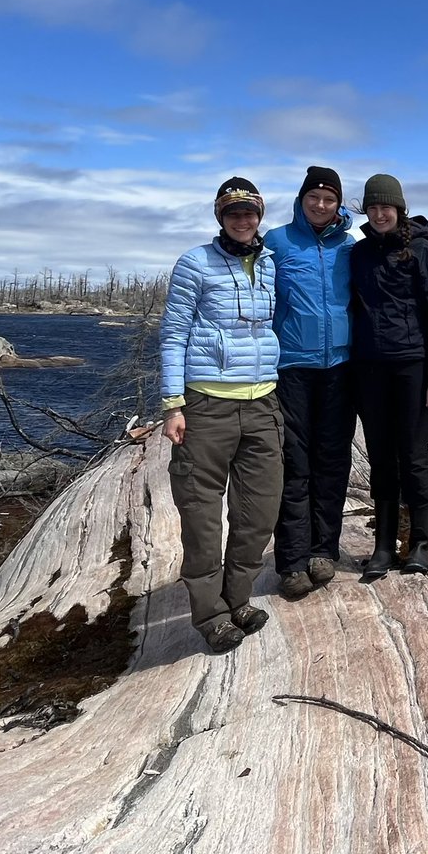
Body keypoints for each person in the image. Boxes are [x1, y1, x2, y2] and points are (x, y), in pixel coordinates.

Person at [159, 177, 283, 653]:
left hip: (263, 402)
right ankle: (209, 612)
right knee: (202, 515)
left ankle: (238, 598)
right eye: (233, 212)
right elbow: (173, 335)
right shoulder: (195, 263)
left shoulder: (270, 263)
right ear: (220, 217)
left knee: (259, 510)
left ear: (259, 215)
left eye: (249, 211)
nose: (242, 219)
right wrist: (173, 404)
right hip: (207, 404)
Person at [350, 173, 428, 581]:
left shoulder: (422, 251)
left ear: (399, 209)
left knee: (412, 455)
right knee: (380, 457)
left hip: (412, 367)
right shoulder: (358, 254)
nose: (379, 214)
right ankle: (383, 544)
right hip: (369, 369)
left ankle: (419, 542)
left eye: (385, 207)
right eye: (372, 208)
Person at [263, 165, 356, 599]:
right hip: (292, 368)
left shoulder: (349, 247)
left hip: (340, 367)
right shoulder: (278, 242)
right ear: (301, 200)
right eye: (313, 197)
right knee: (294, 462)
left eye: (329, 199)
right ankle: (292, 561)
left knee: (333, 462)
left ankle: (324, 550)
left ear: (339, 204)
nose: (321, 205)